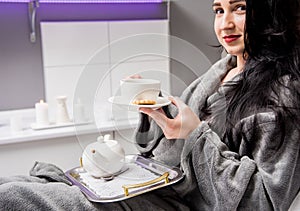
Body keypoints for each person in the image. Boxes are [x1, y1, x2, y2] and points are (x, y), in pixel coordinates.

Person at [0, 0, 299, 210]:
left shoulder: (283, 94)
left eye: (240, 8)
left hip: (178, 205)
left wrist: (196, 135)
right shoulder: (220, 72)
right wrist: (156, 109)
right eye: (218, 10)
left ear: (271, 10)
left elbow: (264, 201)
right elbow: (166, 148)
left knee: (15, 199)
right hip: (157, 188)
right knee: (11, 187)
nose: (225, 23)